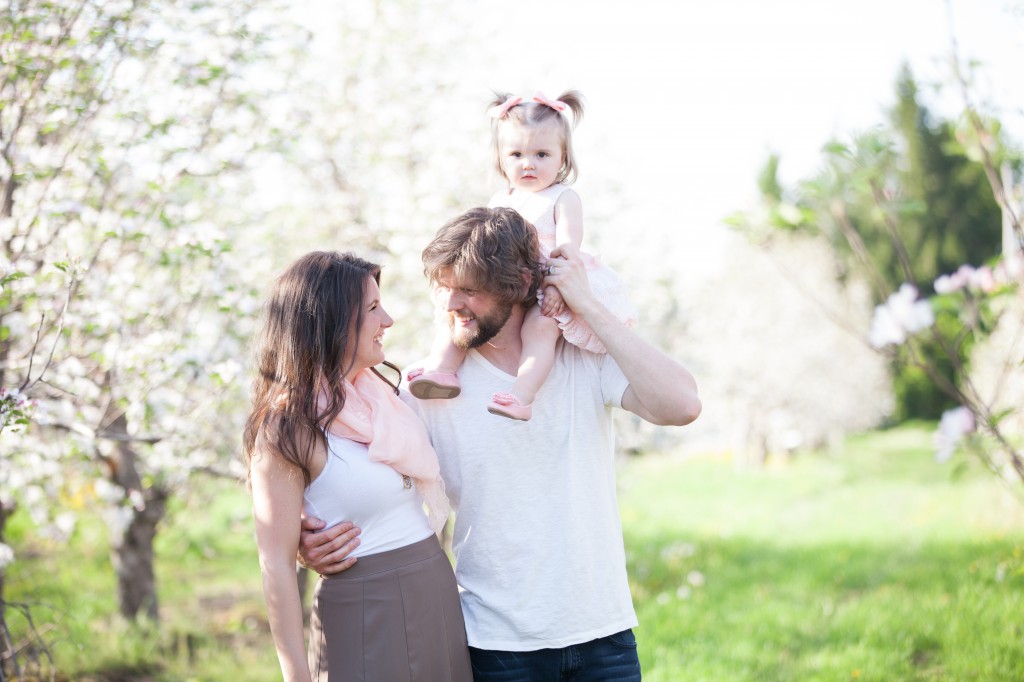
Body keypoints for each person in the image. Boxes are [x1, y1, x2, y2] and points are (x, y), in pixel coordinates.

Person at [299, 209, 701, 681]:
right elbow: (361, 481)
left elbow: (682, 405)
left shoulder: (582, 360)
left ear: (520, 282)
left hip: (603, 636)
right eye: (444, 286)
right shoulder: (428, 391)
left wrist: (586, 304)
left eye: (469, 288)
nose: (453, 302)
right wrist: (307, 535)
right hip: (496, 645)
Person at [243, 251, 472, 682]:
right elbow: (274, 562)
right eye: (371, 308)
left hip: (436, 596)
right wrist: (296, 677)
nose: (387, 319)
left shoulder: (388, 401)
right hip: (365, 611)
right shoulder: (288, 427)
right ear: (327, 321)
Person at [407, 90, 637, 421]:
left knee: (540, 330)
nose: (528, 163)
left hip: (546, 282)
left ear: (563, 159)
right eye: (516, 154)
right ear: (500, 158)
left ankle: (522, 394)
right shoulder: (499, 200)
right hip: (503, 283)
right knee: (456, 313)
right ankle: (442, 369)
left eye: (542, 154)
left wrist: (557, 288)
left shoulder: (562, 198)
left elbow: (567, 249)